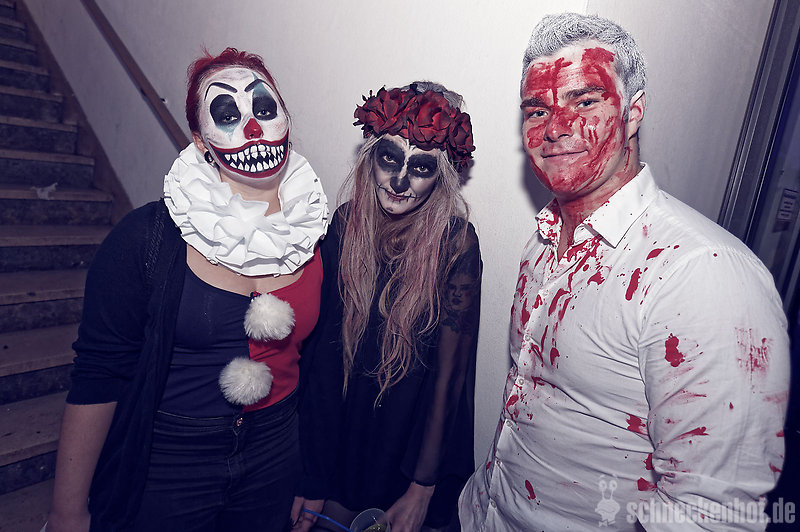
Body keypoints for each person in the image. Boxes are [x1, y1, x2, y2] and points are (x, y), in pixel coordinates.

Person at [459, 13, 790, 531]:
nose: (555, 127)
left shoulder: (705, 276)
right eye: (537, 109)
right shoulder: (543, 241)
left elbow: (711, 515)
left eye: (584, 101)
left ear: (633, 112)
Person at [46, 48, 329, 531]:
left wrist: (314, 473)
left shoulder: (318, 230)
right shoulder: (144, 238)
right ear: (201, 142)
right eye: (227, 115)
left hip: (276, 451)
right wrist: (67, 511)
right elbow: (98, 375)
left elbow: (321, 362)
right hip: (171, 458)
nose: (253, 128)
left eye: (264, 108)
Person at [291, 82, 481, 532]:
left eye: (420, 167)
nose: (399, 182)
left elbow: (449, 377)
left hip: (410, 447)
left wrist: (422, 486)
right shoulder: (345, 224)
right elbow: (322, 360)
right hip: (343, 435)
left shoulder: (456, 245)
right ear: (371, 157)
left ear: (442, 176)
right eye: (390, 159)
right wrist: (313, 473)